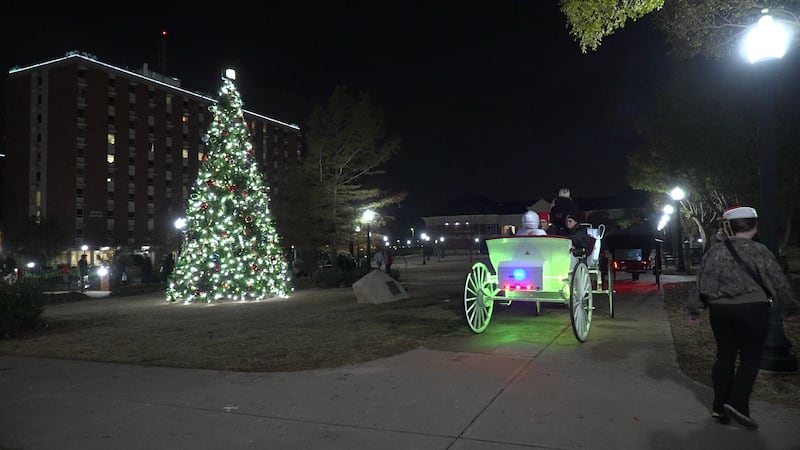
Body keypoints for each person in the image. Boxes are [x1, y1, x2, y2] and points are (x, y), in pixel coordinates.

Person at [688, 206, 796, 428]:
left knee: (724, 356)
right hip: (753, 310)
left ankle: (719, 406)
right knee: (750, 358)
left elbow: (703, 283)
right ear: (754, 227)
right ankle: (737, 402)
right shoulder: (761, 251)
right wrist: (789, 307)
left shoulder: (715, 252)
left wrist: (694, 308)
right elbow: (778, 280)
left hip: (721, 311)